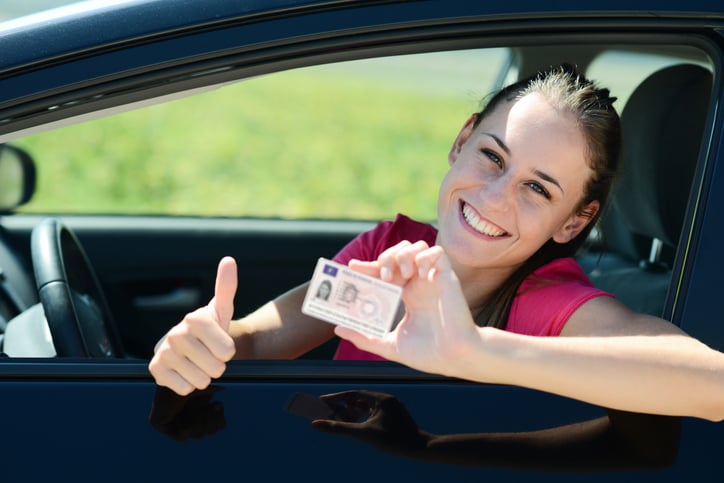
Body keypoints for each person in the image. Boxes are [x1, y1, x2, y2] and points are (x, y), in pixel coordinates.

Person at [148, 64, 724, 422]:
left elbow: (712, 384)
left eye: (537, 189)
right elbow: (263, 338)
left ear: (573, 223)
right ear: (462, 139)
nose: (495, 198)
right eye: (492, 156)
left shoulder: (548, 305)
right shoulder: (392, 251)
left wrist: (476, 351)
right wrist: (208, 342)